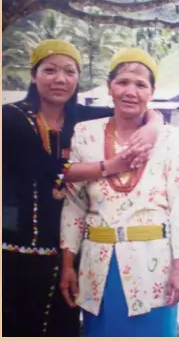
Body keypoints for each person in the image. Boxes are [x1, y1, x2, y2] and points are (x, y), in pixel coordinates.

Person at [2, 39, 162, 337]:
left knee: (64, 327)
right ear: (33, 74)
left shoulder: (84, 119)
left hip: (70, 251)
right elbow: (47, 169)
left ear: (78, 77)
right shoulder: (10, 118)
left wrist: (153, 126)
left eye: (69, 71)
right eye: (50, 70)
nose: (60, 79)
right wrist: (111, 167)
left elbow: (134, 105)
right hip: (17, 248)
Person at [60, 48, 179, 337]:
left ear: (152, 92)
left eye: (140, 84)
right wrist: (67, 264)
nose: (130, 91)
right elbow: (74, 204)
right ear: (110, 87)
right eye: (122, 82)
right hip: (98, 267)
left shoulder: (169, 138)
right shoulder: (86, 133)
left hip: (153, 267)